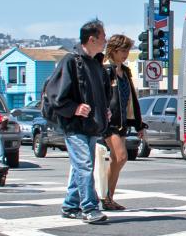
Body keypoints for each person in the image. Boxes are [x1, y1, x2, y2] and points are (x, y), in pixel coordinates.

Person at [43, 19, 111, 224]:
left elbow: (103, 94)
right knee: (84, 165)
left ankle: (70, 205)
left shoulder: (96, 64)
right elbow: (55, 95)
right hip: (74, 126)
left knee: (82, 166)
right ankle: (89, 208)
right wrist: (75, 108)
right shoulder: (71, 61)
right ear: (92, 39)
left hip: (91, 125)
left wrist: (105, 110)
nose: (105, 41)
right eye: (103, 37)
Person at [102, 34, 147, 211]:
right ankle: (104, 196)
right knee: (120, 157)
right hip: (108, 122)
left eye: (128, 50)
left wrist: (139, 124)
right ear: (113, 50)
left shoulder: (125, 71)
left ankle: (107, 197)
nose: (126, 53)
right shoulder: (105, 70)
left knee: (118, 159)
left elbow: (131, 101)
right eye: (123, 50)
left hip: (122, 122)